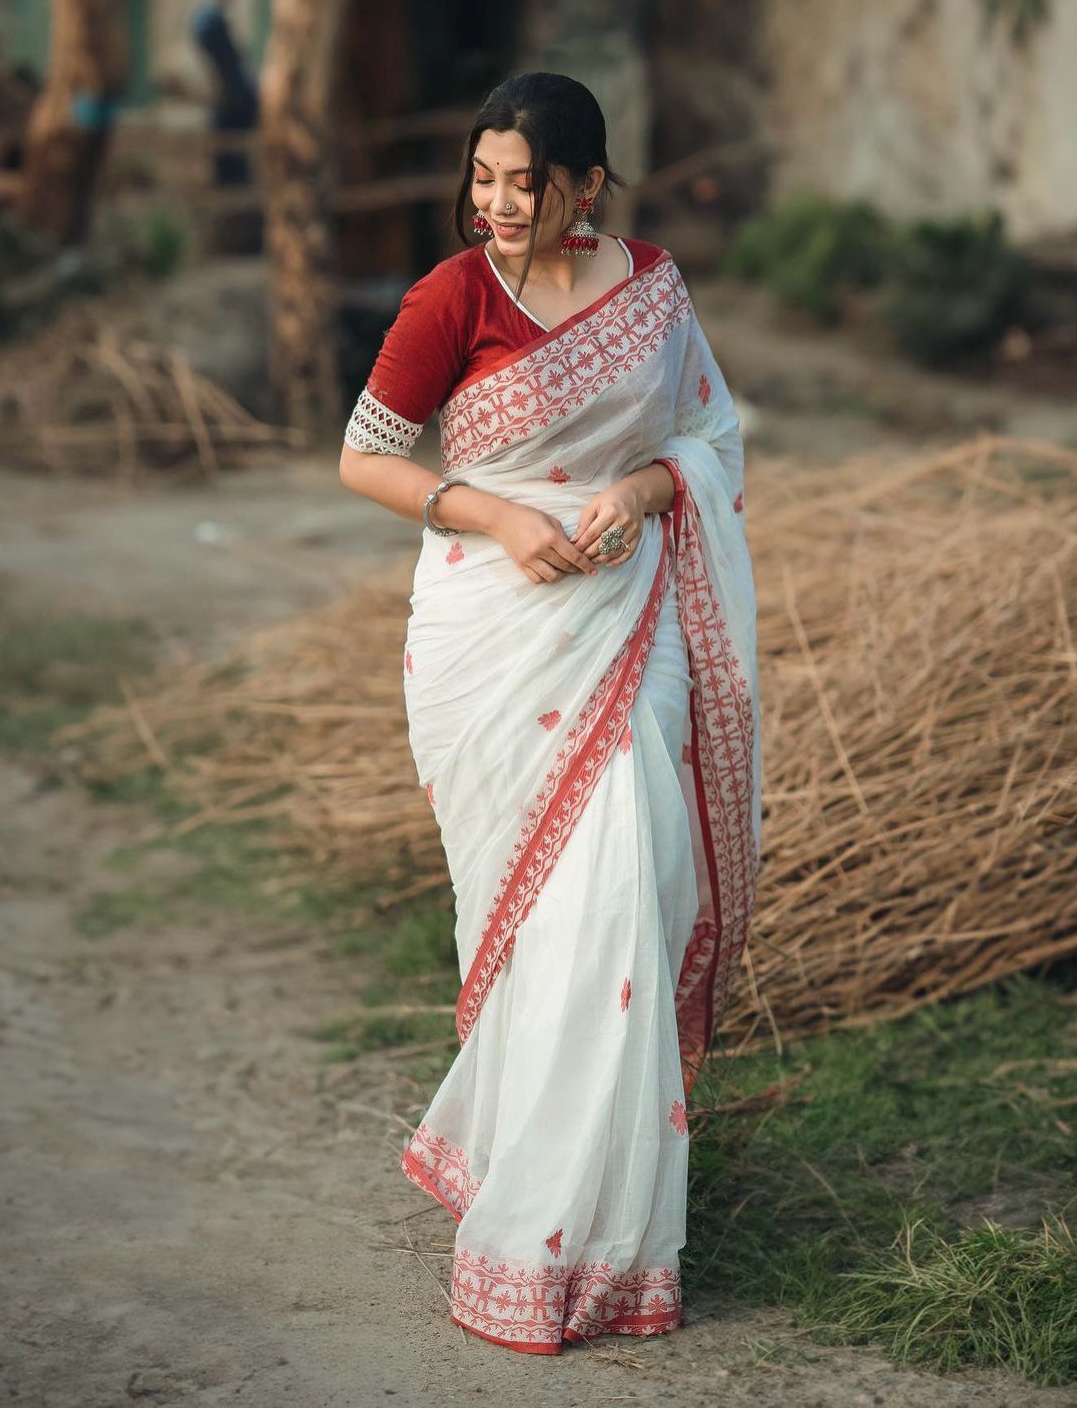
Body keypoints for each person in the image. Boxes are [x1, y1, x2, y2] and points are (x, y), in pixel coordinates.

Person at [338, 71, 761, 1354]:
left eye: (526, 184)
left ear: (584, 186)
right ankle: (530, 1217)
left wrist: (641, 489)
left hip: (629, 629)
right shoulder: (450, 297)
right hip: (499, 633)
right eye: (483, 179)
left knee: (628, 896)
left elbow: (712, 435)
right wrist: (503, 515)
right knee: (542, 924)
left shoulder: (653, 291)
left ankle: (609, 1240)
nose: (499, 206)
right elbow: (365, 454)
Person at [189, 0, 258, 187]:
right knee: (228, 153)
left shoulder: (214, 17)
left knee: (232, 152)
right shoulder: (211, 19)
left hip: (233, 96)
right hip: (231, 96)